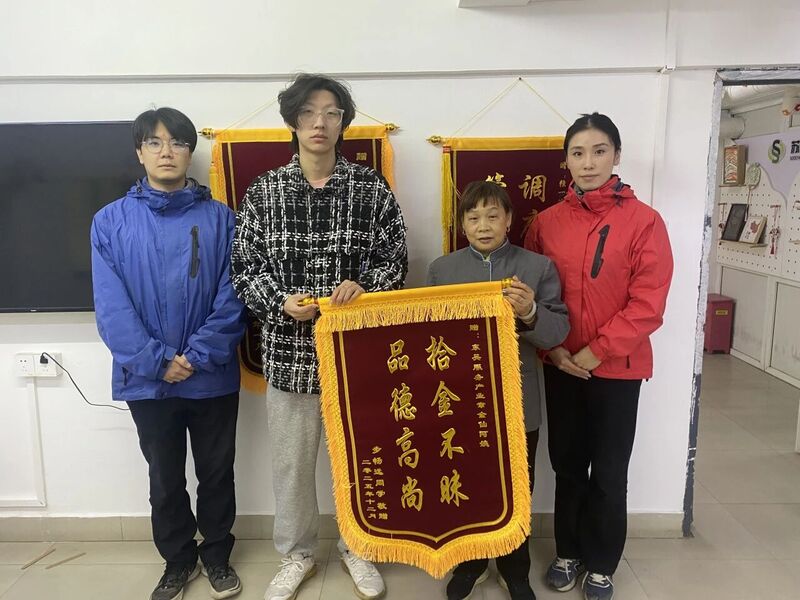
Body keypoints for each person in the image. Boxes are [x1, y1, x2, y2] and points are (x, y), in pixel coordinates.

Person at [230, 73, 408, 600]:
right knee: (291, 464)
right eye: (309, 112)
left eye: (332, 113)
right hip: (289, 356)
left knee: (359, 459)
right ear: (293, 120)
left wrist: (367, 286)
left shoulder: (370, 188)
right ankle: (298, 554)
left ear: (343, 123)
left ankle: (360, 546)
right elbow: (244, 269)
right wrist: (279, 302)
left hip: (356, 356)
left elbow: (395, 260)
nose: (320, 123)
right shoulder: (265, 191)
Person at [91, 108, 246, 600]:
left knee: (217, 472)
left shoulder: (222, 219)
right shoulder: (110, 222)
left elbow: (234, 296)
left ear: (189, 152)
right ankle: (178, 561)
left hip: (211, 373)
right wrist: (158, 362)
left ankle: (217, 555)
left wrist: (195, 356)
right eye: (154, 143)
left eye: (177, 142)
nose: (166, 152)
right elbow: (111, 307)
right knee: (164, 477)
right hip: (147, 379)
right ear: (140, 152)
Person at [524, 113, 673, 600]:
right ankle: (568, 552)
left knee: (609, 471)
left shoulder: (645, 222)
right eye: (578, 153)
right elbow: (531, 297)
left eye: (599, 151)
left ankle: (603, 562)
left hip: (617, 369)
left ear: (616, 155)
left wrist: (594, 353)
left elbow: (647, 304)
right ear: (566, 161)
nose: (588, 162)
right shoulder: (546, 223)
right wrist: (554, 349)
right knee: (567, 465)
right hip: (559, 365)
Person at [427, 180, 570, 600]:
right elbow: (426, 337)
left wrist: (529, 311)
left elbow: (557, 332)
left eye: (493, 216)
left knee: (517, 488)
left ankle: (514, 569)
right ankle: (470, 564)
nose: (483, 226)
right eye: (473, 218)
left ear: (509, 219)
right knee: (466, 481)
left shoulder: (537, 267)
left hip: (518, 399)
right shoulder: (442, 270)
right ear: (462, 225)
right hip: (458, 401)